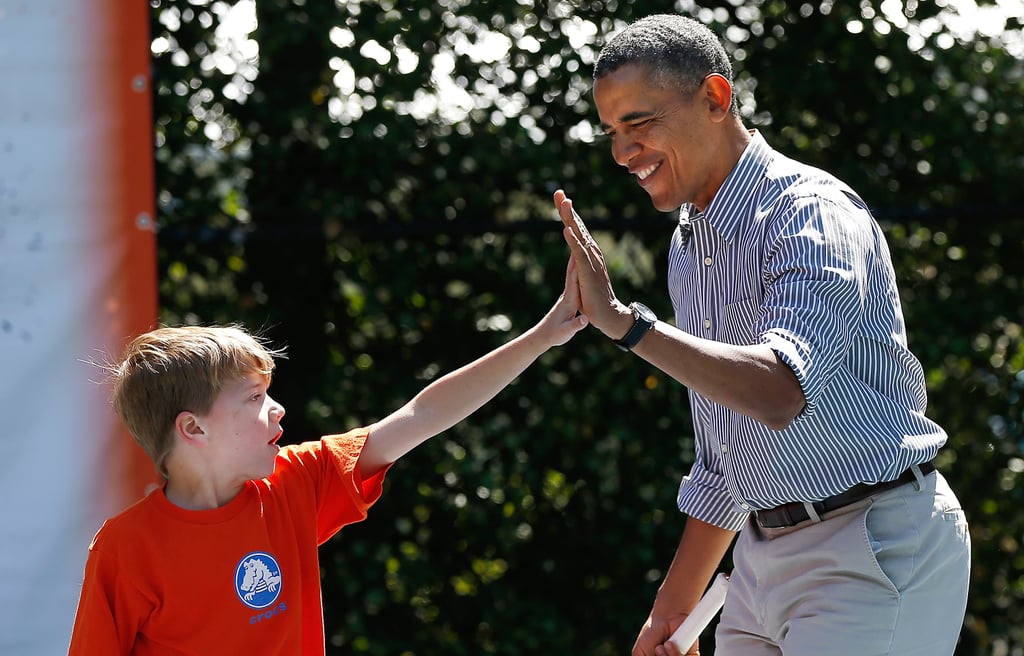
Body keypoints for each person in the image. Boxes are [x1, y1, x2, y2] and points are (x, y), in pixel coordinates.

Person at [554, 13, 970, 656]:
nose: (621, 151)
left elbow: (778, 391)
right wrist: (671, 612)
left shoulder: (812, 213)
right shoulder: (690, 245)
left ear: (715, 98)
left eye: (638, 123)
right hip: (756, 562)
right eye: (612, 131)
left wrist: (626, 325)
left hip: (869, 545)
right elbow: (726, 458)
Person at [67, 262, 588, 655]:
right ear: (193, 428)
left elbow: (422, 414)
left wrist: (545, 334)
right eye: (254, 398)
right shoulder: (124, 549)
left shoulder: (298, 481)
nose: (278, 410)